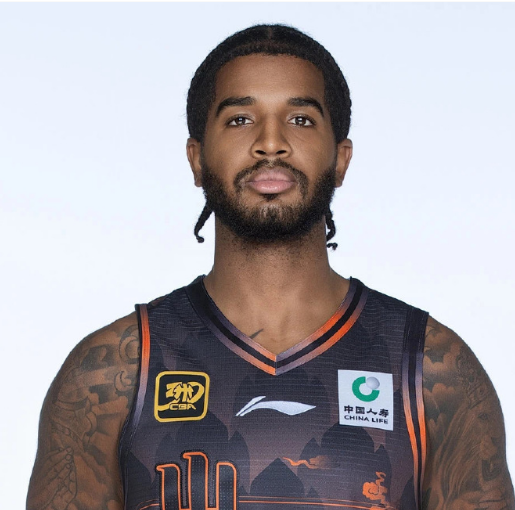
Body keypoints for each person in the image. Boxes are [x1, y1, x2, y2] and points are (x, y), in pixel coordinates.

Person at [27, 24, 514, 510]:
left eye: (300, 119)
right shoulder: (110, 376)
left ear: (341, 159)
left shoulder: (433, 373)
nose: (271, 142)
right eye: (240, 119)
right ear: (197, 158)